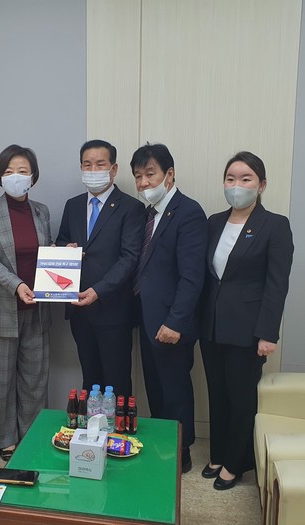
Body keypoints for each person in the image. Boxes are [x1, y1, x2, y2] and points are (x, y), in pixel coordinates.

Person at [199, 151, 294, 490]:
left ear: (261, 185)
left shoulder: (275, 225)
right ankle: (218, 453)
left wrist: (268, 333)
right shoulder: (214, 222)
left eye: (245, 178)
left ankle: (236, 463)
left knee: (241, 398)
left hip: (248, 329)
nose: (236, 185)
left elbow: (277, 284)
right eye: (230, 179)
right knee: (217, 393)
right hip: (211, 326)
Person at [131, 143, 207, 474]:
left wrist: (176, 321)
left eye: (150, 174)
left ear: (170, 174)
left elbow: (192, 276)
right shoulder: (148, 213)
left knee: (175, 388)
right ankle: (162, 441)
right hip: (147, 317)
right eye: (138, 176)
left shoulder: (188, 212)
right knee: (155, 385)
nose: (144, 183)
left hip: (172, 321)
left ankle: (181, 449)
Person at [0, 145, 52, 461]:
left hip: (37, 307)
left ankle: (31, 434)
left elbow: (43, 252)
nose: (15, 176)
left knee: (35, 377)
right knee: (1, 379)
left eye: (22, 171)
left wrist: (64, 253)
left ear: (33, 176)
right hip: (1, 306)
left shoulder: (41, 211)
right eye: (8, 171)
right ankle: (4, 438)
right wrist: (16, 285)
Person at [56, 139, 145, 397]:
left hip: (112, 309)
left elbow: (129, 258)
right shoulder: (73, 205)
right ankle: (92, 423)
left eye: (100, 164)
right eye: (87, 165)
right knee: (90, 378)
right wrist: (65, 248)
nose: (93, 170)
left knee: (116, 381)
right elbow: (61, 242)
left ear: (113, 169)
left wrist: (98, 291)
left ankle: (118, 424)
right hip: (78, 309)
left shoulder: (131, 207)